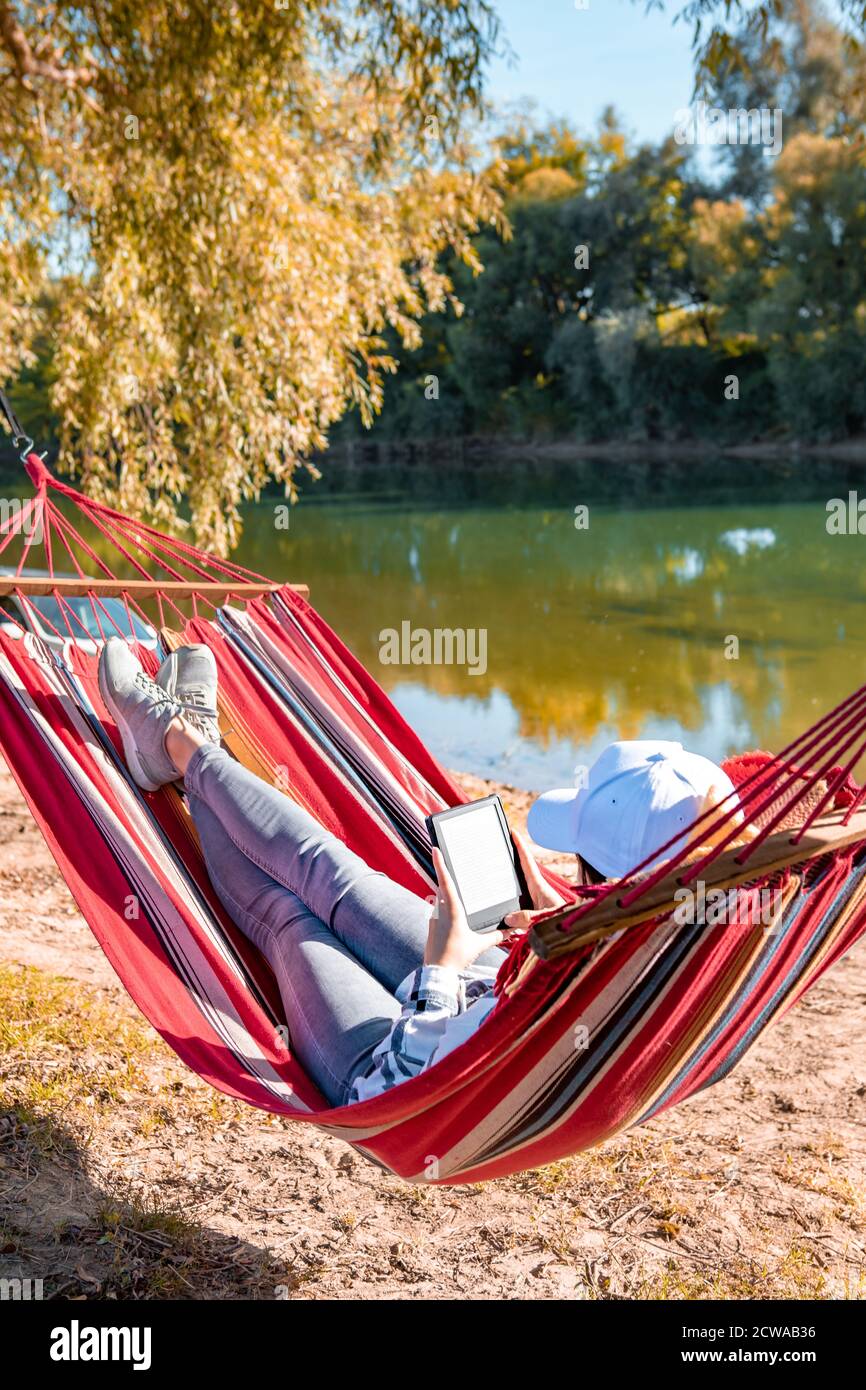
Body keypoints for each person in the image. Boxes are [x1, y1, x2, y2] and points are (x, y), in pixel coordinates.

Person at [97, 638, 565, 1108]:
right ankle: (187, 746)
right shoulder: (638, 943)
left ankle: (180, 740)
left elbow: (405, 1087)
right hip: (497, 982)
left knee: (291, 918)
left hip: (396, 1070)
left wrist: (441, 970)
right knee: (327, 868)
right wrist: (562, 924)